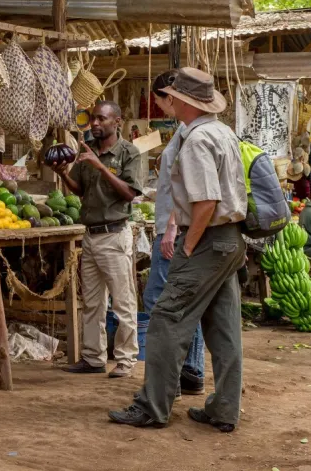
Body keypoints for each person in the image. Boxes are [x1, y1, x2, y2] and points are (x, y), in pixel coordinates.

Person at [108, 67, 247, 431]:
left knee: (165, 322)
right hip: (230, 240)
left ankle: (153, 407)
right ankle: (224, 409)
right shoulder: (222, 132)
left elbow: (205, 202)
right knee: (224, 329)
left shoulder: (198, 140)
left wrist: (187, 243)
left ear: (179, 100)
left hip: (207, 238)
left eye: (167, 97)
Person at [54, 101, 143, 379]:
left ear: (117, 121)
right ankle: (93, 358)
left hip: (115, 236)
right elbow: (80, 190)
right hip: (90, 236)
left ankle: (126, 360)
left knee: (123, 302)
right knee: (92, 302)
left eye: (101, 119)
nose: (94, 123)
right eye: (93, 119)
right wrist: (62, 173)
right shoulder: (87, 151)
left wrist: (100, 166)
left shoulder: (128, 153)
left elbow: (130, 193)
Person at [144, 70, 205, 397]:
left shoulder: (189, 134)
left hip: (175, 230)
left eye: (159, 99)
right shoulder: (187, 131)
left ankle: (187, 370)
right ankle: (190, 370)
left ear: (171, 97)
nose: (157, 105)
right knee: (178, 300)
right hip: (176, 227)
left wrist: (171, 228)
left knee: (162, 300)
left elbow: (188, 187)